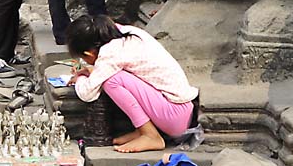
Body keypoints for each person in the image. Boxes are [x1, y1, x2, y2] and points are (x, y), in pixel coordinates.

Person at [66, 15, 198, 153]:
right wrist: (94, 71)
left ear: (89, 52)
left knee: (112, 80)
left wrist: (79, 78)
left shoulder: (110, 53)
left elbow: (87, 94)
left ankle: (150, 135)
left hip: (174, 115)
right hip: (182, 111)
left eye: (84, 58)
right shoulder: (126, 32)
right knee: (112, 75)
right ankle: (143, 131)